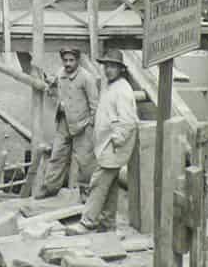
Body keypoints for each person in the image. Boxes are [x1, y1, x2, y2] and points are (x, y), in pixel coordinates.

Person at [81, 49, 139, 231]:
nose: (108, 70)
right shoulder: (109, 86)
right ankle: (108, 223)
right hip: (106, 144)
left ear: (121, 69)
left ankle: (87, 222)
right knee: (111, 186)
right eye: (106, 66)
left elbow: (128, 121)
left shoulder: (123, 89)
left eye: (113, 66)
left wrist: (117, 140)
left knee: (98, 183)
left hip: (114, 146)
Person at [35, 47, 99, 199]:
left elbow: (95, 105)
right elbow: (54, 85)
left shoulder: (86, 78)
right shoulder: (60, 73)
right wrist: (51, 83)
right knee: (57, 156)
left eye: (71, 60)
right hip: (64, 123)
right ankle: (49, 189)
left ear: (77, 60)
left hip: (82, 125)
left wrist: (90, 125)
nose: (68, 63)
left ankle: (86, 194)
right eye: (65, 60)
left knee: (85, 161)